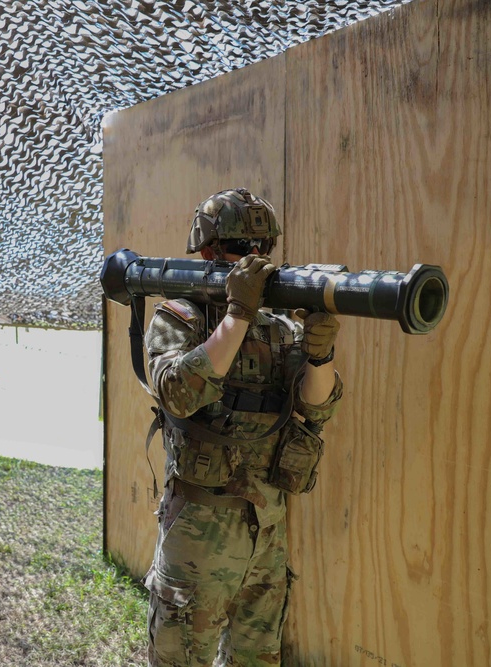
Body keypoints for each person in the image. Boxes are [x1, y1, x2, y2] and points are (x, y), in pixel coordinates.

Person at [143, 188, 343, 666]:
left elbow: (316, 410)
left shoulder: (281, 326)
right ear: (209, 253)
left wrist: (321, 355)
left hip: (267, 530)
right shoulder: (181, 315)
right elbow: (177, 391)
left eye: (261, 251)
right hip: (199, 532)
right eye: (239, 249)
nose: (253, 260)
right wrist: (236, 315)